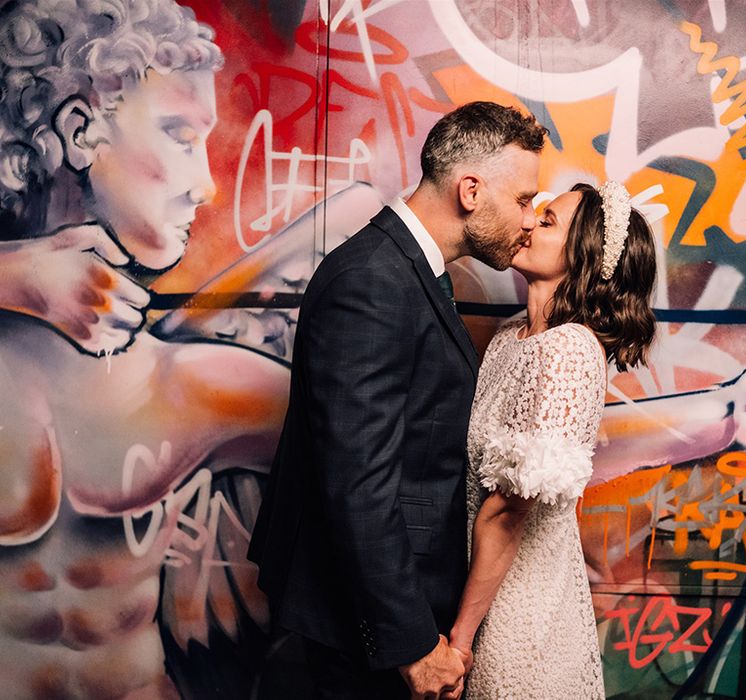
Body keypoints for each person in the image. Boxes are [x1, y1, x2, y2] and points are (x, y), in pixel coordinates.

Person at [0, 1, 290, 697]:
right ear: (79, 131)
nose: (207, 184)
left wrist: (235, 516)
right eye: (179, 135)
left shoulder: (193, 384)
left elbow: (381, 470)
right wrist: (18, 277)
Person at [248, 101, 547, 699]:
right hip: (364, 620)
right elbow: (357, 480)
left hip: (388, 599)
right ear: (470, 190)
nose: (528, 220)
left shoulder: (408, 269)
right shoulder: (374, 280)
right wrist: (410, 644)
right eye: (521, 200)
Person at [449, 181, 657, 698]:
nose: (526, 223)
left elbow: (508, 511)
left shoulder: (568, 352)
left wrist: (460, 639)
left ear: (582, 257)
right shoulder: (509, 338)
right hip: (478, 590)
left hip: (518, 616)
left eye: (547, 221)